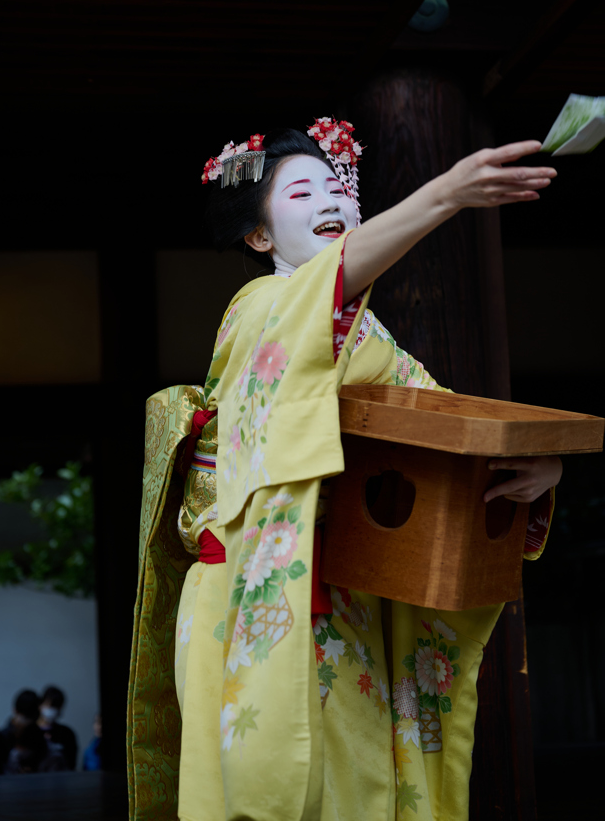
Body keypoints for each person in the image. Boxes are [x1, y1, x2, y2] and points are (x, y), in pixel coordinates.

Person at [127, 125, 561, 821]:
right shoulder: (261, 306)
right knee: (268, 778)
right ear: (259, 237)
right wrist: (447, 193)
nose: (329, 200)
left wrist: (535, 465)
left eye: (336, 188)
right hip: (254, 584)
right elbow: (335, 278)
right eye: (302, 193)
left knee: (361, 782)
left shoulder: (370, 335)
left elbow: (449, 427)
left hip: (346, 585)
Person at [37, 685, 78, 771]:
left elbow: (71, 764)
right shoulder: (31, 732)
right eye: (51, 705)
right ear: (40, 705)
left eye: (57, 707)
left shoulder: (66, 734)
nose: (54, 710)